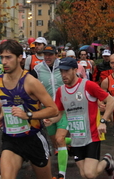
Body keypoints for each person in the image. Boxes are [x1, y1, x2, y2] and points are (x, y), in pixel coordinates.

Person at [0, 39, 58, 179]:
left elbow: (53, 110)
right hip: (11, 139)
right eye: (2, 57)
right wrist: (1, 115)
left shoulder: (31, 82)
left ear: (19, 58)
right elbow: (5, 103)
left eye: (8, 57)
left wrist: (27, 115)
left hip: (33, 138)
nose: (4, 62)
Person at [45, 57, 114, 179]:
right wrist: (51, 120)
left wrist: (103, 121)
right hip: (76, 138)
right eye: (61, 71)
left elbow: (111, 101)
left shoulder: (88, 85)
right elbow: (60, 114)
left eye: (67, 71)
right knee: (84, 174)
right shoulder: (60, 91)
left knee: (90, 174)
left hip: (92, 136)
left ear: (75, 70)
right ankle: (107, 162)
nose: (63, 75)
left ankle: (107, 161)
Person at [33, 45, 69, 179]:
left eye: (50, 54)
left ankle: (61, 175)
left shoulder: (63, 67)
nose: (47, 57)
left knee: (59, 139)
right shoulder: (37, 69)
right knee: (55, 141)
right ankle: (72, 143)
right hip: (47, 110)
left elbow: (74, 81)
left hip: (63, 109)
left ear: (56, 54)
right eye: (45, 54)